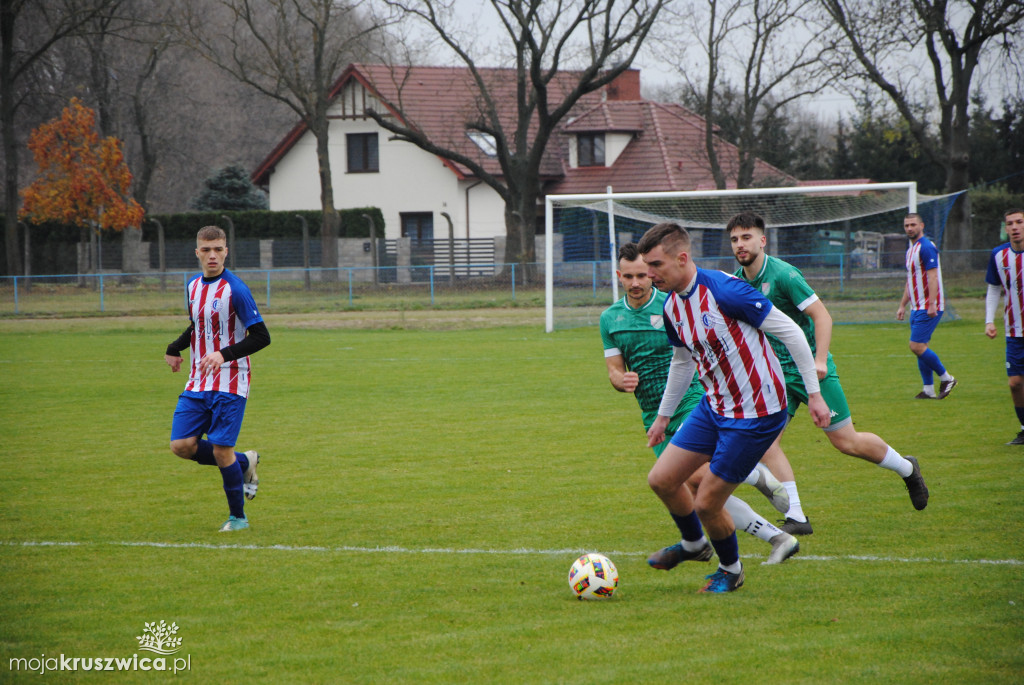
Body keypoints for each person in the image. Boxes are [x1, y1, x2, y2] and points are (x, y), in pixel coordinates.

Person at [637, 222, 830, 593]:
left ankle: (731, 570)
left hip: (756, 414)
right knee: (661, 479)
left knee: (708, 501)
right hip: (715, 407)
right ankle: (694, 545)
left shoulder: (726, 290)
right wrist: (663, 417)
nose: (649, 275)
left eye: (656, 265)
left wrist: (814, 394)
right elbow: (682, 362)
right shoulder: (674, 305)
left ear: (682, 258)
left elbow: (790, 331)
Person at [729, 212, 930, 535]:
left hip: (810, 369)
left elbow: (822, 317)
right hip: (774, 377)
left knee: (846, 442)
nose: (741, 244)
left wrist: (819, 361)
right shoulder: (736, 282)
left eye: (747, 237)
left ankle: (907, 469)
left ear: (762, 240)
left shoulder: (784, 275)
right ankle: (796, 516)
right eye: (735, 239)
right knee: (765, 444)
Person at [600, 244, 798, 568]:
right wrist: (619, 380)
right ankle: (774, 536)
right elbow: (614, 368)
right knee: (682, 486)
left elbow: (689, 357)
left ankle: (749, 480)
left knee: (700, 483)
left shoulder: (672, 301)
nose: (637, 282)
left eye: (643, 274)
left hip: (691, 398)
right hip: (652, 410)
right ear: (619, 276)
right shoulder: (610, 318)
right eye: (630, 276)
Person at [164, 225, 271, 532]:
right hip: (198, 380)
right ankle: (244, 463)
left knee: (221, 449)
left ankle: (238, 518)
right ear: (197, 252)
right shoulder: (192, 286)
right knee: (181, 445)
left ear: (226, 251)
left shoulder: (236, 289)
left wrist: (223, 354)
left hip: (231, 381)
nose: (212, 255)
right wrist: (174, 348)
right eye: (206, 250)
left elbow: (262, 337)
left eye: (218, 249)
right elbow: (198, 325)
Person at [896, 213, 957, 399]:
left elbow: (933, 276)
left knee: (915, 345)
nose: (909, 228)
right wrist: (902, 305)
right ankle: (928, 390)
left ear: (921, 225)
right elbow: (910, 281)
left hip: (928, 306)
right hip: (916, 306)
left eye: (913, 224)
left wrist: (931, 304)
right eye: (907, 225)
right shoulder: (911, 250)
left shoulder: (927, 247)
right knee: (922, 347)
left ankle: (947, 378)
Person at [985, 208, 1024, 445]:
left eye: (1019, 222)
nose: (1015, 227)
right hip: (1013, 331)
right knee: (1015, 383)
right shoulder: (998, 255)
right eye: (1010, 223)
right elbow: (994, 288)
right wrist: (989, 320)